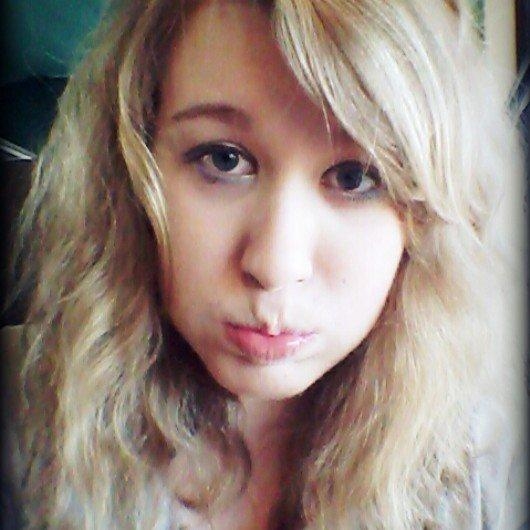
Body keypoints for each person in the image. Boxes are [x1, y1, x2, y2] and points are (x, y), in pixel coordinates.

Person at [2, 0, 526, 528]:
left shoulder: (487, 462)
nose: (275, 265)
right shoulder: (25, 420)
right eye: (224, 159)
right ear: (129, 169)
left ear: (426, 216)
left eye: (354, 177)